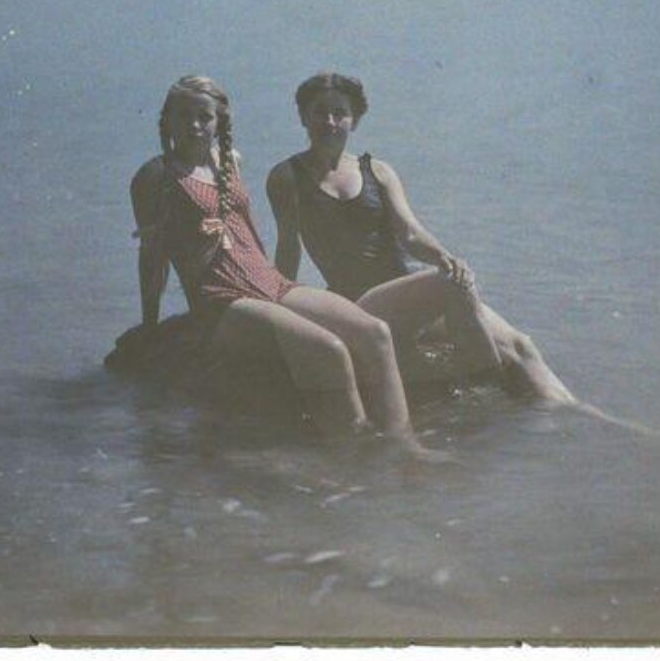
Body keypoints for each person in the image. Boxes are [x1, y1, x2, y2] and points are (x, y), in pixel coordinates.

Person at [267, 72, 636, 427]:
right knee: (449, 286)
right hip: (360, 306)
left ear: (355, 121)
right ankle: (490, 394)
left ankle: (581, 413)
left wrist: (445, 257)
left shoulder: (376, 170)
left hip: (405, 294)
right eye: (320, 112)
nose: (330, 122)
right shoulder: (288, 177)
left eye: (340, 113)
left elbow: (410, 234)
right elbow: (287, 252)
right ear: (303, 116)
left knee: (519, 345)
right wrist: (282, 319)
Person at [128, 75, 447, 459]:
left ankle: (405, 447)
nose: (195, 125)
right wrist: (149, 327)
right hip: (220, 299)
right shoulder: (155, 176)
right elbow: (152, 257)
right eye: (184, 115)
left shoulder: (229, 161)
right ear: (167, 120)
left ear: (219, 123)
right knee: (328, 349)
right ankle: (357, 453)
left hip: (269, 281)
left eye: (204, 116)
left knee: (375, 332)